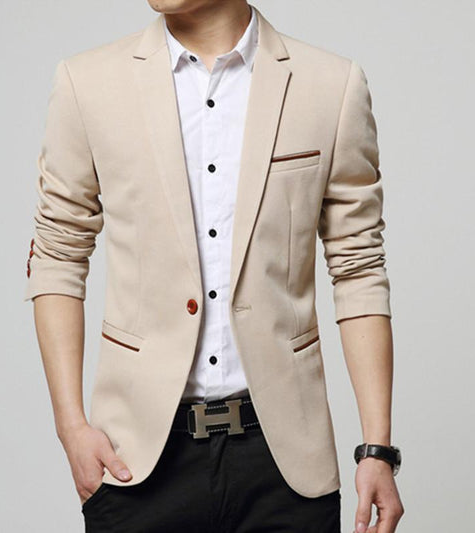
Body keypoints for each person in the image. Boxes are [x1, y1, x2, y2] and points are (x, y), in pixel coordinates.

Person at [24, 1, 404, 531]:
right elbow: (58, 253)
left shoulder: (330, 85)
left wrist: (377, 448)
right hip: (137, 460)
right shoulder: (87, 84)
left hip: (286, 465)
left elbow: (358, 266)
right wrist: (71, 426)